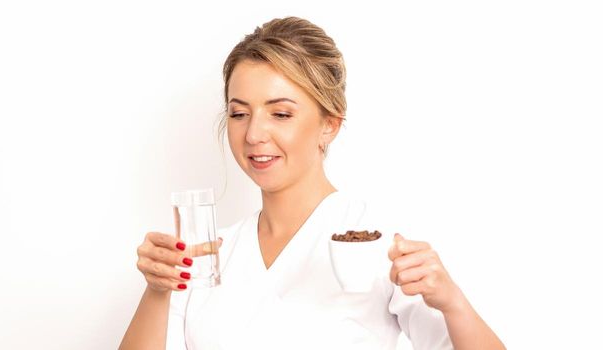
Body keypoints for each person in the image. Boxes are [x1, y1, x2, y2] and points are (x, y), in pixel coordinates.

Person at [120, 17, 505, 350]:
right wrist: (157, 289)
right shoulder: (208, 256)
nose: (254, 134)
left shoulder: (380, 247)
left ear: (329, 125)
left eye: (281, 113)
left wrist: (452, 300)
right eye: (239, 113)